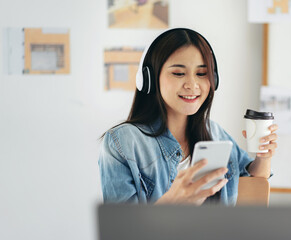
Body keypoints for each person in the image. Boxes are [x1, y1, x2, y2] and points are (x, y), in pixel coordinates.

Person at [98, 28, 278, 206]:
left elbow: (254, 183)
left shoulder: (215, 133)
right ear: (149, 79)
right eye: (178, 73)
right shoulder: (122, 143)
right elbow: (122, 230)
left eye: (201, 74)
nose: (192, 85)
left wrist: (263, 157)